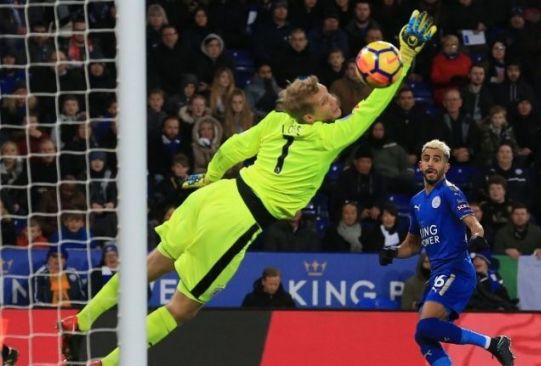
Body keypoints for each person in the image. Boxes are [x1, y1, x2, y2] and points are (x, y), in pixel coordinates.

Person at [60, 11, 437, 365]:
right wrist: (404, 53)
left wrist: (209, 178)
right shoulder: (329, 138)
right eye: (324, 98)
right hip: (236, 221)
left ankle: (80, 321)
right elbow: (375, 104)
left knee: (152, 264)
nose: (332, 97)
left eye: (326, 90)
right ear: (309, 116)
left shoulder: (275, 120)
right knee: (182, 309)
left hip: (214, 196)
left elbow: (232, 148)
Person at [379, 139, 515, 366]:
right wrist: (392, 252)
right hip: (439, 274)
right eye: (426, 159)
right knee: (423, 335)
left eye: (437, 159)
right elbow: (412, 245)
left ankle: (492, 344)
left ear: (446, 167)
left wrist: (477, 237)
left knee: (426, 326)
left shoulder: (450, 192)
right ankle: (489, 345)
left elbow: (474, 224)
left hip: (457, 270)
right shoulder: (416, 202)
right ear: (420, 165)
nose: (431, 164)